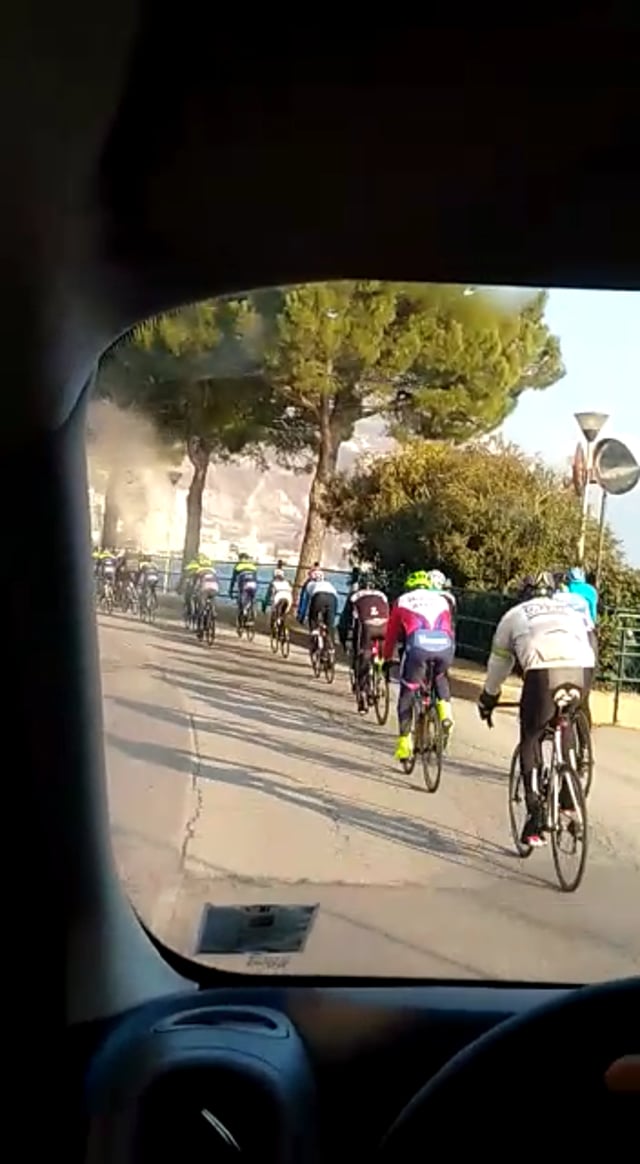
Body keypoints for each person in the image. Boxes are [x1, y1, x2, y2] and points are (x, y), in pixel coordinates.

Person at [477, 569, 595, 848]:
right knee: (565, 721)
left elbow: (499, 664)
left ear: (524, 594)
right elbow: (590, 640)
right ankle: (569, 797)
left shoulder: (514, 615)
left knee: (530, 737)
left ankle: (535, 816)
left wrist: (489, 698)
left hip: (544, 673)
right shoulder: (569, 610)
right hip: (582, 669)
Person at [382, 569, 456, 762]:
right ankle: (446, 713)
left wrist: (386, 658)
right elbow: (450, 628)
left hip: (418, 646)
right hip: (445, 646)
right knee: (440, 676)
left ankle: (404, 745)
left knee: (408, 690)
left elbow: (391, 635)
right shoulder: (442, 600)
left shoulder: (402, 601)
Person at [338, 571, 390, 711]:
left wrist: (344, 639)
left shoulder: (355, 596)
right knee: (380, 651)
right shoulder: (382, 595)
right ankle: (381, 671)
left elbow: (345, 621)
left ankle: (362, 694)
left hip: (367, 628)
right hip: (384, 627)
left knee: (362, 656)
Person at [297, 568, 339, 650]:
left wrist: (301, 617)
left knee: (313, 618)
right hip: (332, 598)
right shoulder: (328, 584)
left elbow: (305, 601)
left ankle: (314, 636)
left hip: (318, 596)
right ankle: (331, 645)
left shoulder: (310, 584)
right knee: (329, 624)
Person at [229, 551, 258, 620]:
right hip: (253, 584)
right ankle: (253, 610)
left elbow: (233, 579)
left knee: (241, 596)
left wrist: (231, 590)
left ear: (240, 558)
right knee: (252, 596)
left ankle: (242, 612)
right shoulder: (252, 565)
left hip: (243, 583)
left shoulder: (238, 565)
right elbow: (255, 578)